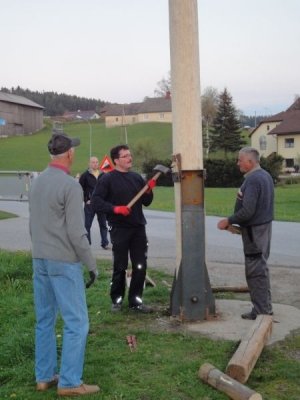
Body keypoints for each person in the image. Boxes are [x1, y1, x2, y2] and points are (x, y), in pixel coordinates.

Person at [29, 133, 100, 396]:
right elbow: (77, 232)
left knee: (44, 320)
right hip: (63, 261)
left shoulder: (37, 181)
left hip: (40, 259)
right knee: (77, 322)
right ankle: (70, 382)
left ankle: (44, 377)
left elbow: (32, 223)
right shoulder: (71, 186)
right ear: (70, 153)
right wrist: (91, 264)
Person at [91, 144, 156, 313]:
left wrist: (148, 191)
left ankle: (136, 302)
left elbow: (147, 202)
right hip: (119, 228)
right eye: (126, 156)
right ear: (116, 160)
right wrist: (115, 209)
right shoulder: (107, 179)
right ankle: (117, 300)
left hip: (138, 227)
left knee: (140, 265)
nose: (130, 158)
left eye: (130, 155)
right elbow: (96, 202)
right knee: (120, 266)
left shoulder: (136, 178)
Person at [217, 147, 274, 320]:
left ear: (250, 162)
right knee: (260, 269)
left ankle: (263, 312)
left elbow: (248, 211)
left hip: (254, 233)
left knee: (255, 271)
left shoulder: (254, 180)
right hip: (261, 229)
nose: (237, 163)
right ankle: (263, 308)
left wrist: (229, 220)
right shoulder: (265, 176)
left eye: (240, 160)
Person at [79, 157, 109, 249]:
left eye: (96, 162)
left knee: (103, 224)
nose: (95, 164)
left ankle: (105, 243)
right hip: (90, 204)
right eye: (93, 162)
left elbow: (107, 189)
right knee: (87, 224)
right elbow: (80, 189)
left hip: (101, 204)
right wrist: (85, 200)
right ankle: (87, 243)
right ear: (89, 163)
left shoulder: (103, 175)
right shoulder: (85, 175)